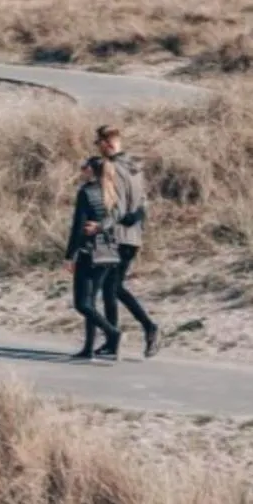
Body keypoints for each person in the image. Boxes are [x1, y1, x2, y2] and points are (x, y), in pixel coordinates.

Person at [90, 125, 160, 358]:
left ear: (108, 143)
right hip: (134, 235)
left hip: (116, 234)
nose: (98, 148)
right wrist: (137, 218)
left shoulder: (109, 168)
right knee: (114, 286)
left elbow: (112, 205)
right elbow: (143, 203)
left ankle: (125, 334)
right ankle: (129, 333)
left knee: (111, 288)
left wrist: (101, 226)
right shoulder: (136, 167)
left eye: (99, 143)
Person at [65, 157, 128, 360]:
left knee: (82, 304)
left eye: (84, 166)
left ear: (92, 170)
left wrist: (70, 256)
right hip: (109, 252)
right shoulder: (111, 190)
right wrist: (102, 227)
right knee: (91, 302)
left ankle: (112, 333)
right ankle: (88, 348)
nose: (81, 170)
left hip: (89, 252)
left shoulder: (87, 191)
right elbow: (120, 217)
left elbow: (78, 227)